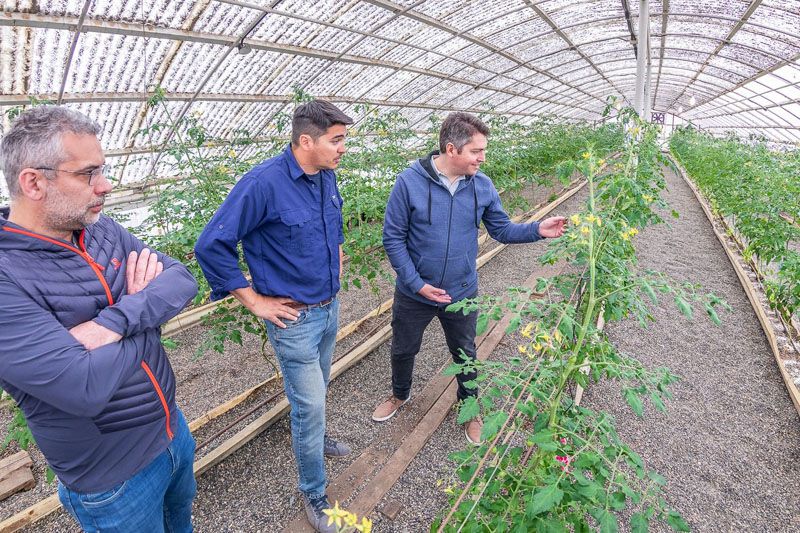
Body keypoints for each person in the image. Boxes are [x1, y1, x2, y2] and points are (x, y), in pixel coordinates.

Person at [0, 106, 198, 532]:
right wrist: (146, 308)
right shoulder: (7, 276)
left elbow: (181, 280)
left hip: (172, 431)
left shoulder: (100, 230)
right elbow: (83, 387)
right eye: (88, 173)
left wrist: (116, 321)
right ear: (33, 182)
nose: (105, 185)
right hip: (114, 480)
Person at [193, 100, 353, 533]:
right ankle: (314, 492)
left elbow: (333, 220)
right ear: (306, 141)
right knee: (310, 404)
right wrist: (254, 302)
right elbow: (211, 244)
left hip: (329, 307)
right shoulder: (263, 184)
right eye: (336, 140)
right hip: (294, 320)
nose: (343, 148)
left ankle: (316, 439)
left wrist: (336, 252)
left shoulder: (325, 174)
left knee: (319, 388)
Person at [374, 112, 567, 445]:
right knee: (403, 348)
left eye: (483, 151)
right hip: (415, 292)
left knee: (465, 352)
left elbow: (501, 230)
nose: (482, 158)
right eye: (477, 151)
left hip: (461, 290)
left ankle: (469, 406)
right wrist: (416, 283)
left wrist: (537, 229)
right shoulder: (408, 183)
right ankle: (399, 394)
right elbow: (392, 238)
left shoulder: (482, 185)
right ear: (452, 149)